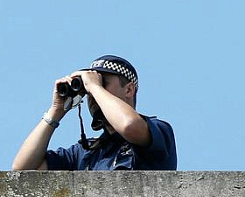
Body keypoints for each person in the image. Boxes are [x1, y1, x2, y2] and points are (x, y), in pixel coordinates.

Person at [12, 55, 176, 170]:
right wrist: (55, 111)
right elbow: (24, 169)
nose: (91, 95)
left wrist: (94, 86)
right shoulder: (86, 152)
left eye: (103, 83)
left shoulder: (159, 130)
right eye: (87, 88)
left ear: (129, 89)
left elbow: (129, 126)